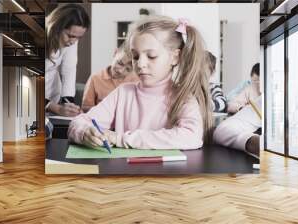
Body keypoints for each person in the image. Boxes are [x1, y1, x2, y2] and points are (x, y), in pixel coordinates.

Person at [68, 16, 214, 150]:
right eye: (135, 56)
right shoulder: (123, 93)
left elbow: (191, 137)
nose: (140, 64)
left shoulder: (183, 97)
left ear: (175, 57)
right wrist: (84, 132)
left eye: (151, 56)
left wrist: (123, 139)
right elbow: (79, 122)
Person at [45, 3, 90, 117]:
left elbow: (69, 70)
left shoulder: (72, 39)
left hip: (52, 95)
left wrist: (68, 103)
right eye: (70, 36)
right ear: (56, 27)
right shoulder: (38, 36)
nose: (74, 41)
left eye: (78, 37)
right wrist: (54, 107)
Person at [81, 42, 140, 112]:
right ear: (115, 53)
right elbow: (85, 108)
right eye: (120, 63)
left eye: (128, 69)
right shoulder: (95, 78)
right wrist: (105, 111)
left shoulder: (137, 81)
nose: (120, 71)